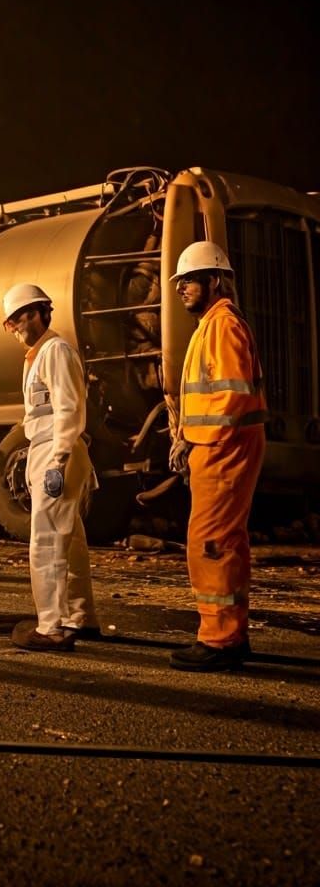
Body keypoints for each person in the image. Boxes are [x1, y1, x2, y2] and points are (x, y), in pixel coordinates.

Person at [167, 241, 266, 672]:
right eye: (180, 282)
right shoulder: (211, 325)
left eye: (190, 280)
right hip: (217, 445)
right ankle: (232, 632)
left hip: (223, 448)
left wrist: (197, 441)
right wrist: (186, 437)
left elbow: (231, 395)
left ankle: (220, 639)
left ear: (216, 280)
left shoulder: (222, 325)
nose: (182, 288)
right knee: (227, 541)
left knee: (210, 543)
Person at [2, 283, 99, 652]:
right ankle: (79, 616)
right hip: (47, 450)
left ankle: (52, 627)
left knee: (46, 540)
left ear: (40, 312)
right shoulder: (39, 356)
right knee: (69, 538)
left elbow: (69, 408)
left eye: (20, 318)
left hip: (57, 452)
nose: (16, 328)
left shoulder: (55, 351)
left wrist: (57, 460)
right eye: (10, 323)